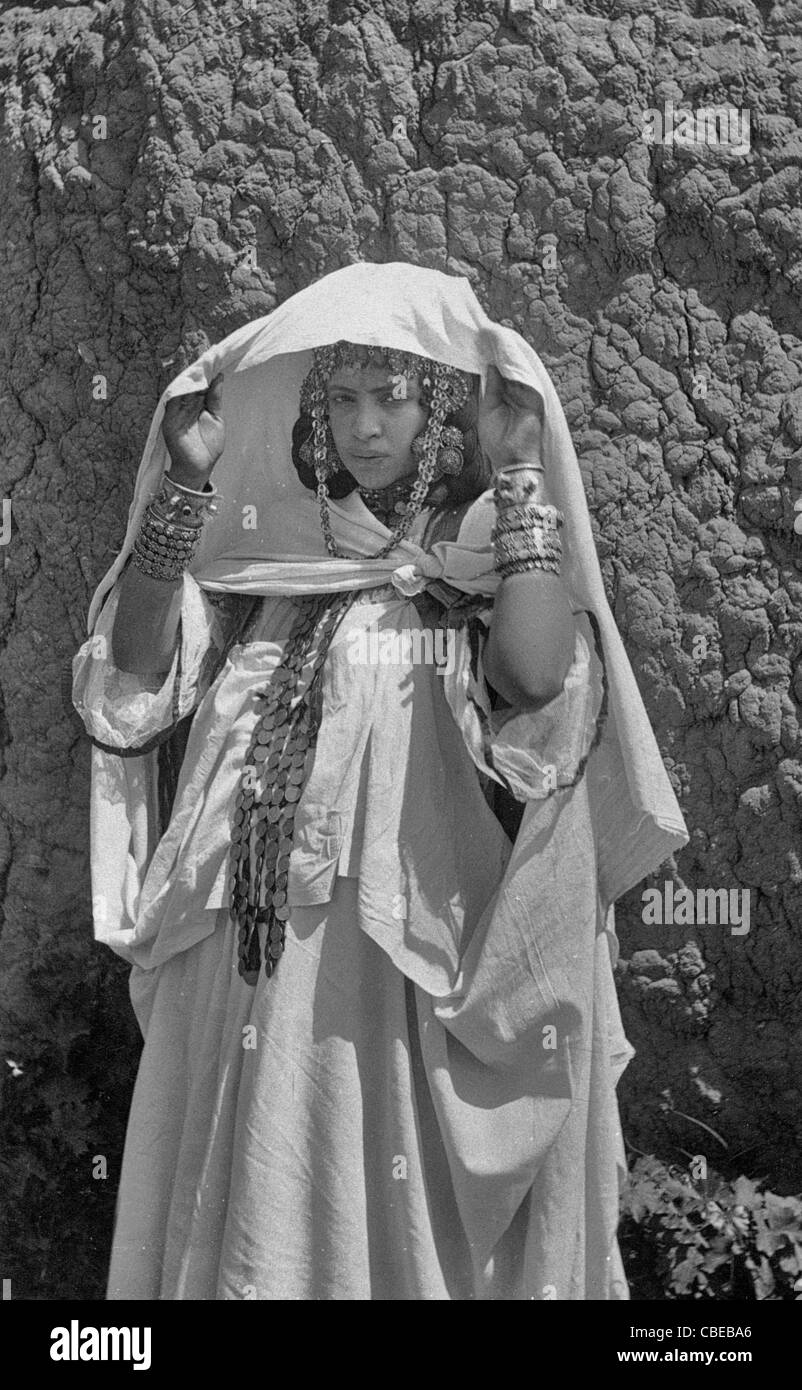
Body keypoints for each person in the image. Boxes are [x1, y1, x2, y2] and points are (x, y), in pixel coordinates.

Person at [72, 262, 688, 1300]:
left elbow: (538, 680)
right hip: (242, 951)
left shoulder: (470, 564)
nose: (363, 427)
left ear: (435, 408)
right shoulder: (267, 574)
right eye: (341, 399)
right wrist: (185, 485)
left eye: (389, 398)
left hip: (395, 952)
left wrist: (523, 467)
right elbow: (132, 674)